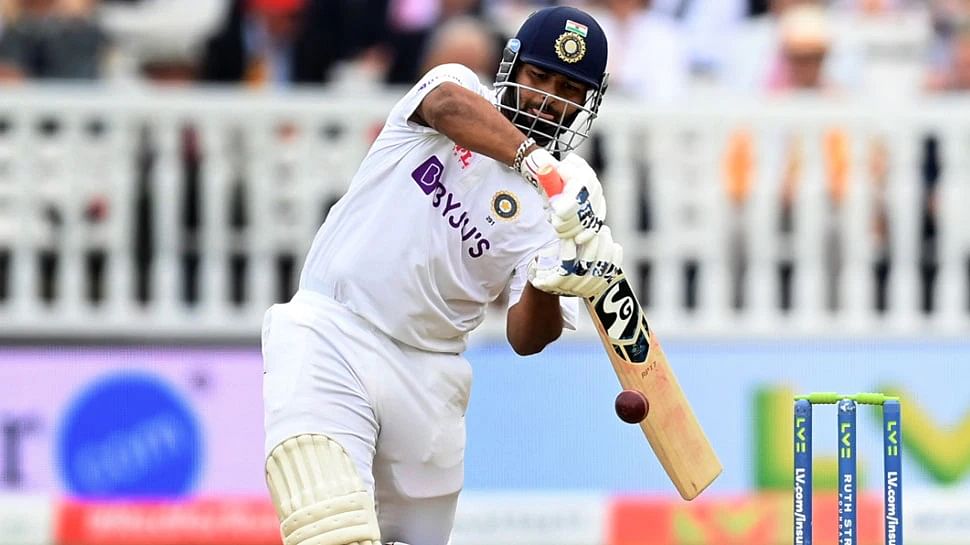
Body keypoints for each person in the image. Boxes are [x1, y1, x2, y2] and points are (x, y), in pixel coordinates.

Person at [260, 5, 622, 545]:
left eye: (568, 88)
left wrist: (554, 271)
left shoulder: (562, 207)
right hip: (331, 331)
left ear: (585, 103)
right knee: (328, 528)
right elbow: (447, 107)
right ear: (513, 69)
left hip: (431, 377)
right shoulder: (452, 86)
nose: (548, 97)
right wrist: (540, 167)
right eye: (539, 76)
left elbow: (527, 338)